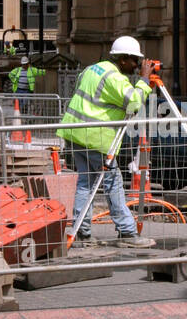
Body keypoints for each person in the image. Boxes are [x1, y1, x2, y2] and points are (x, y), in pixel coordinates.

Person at [58, 36, 156, 247]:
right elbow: (134, 102)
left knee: (86, 184)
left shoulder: (93, 69)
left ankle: (81, 232)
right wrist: (145, 81)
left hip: (76, 134)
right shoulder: (114, 78)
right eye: (133, 61)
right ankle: (127, 232)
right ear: (122, 60)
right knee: (113, 183)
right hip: (97, 138)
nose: (136, 65)